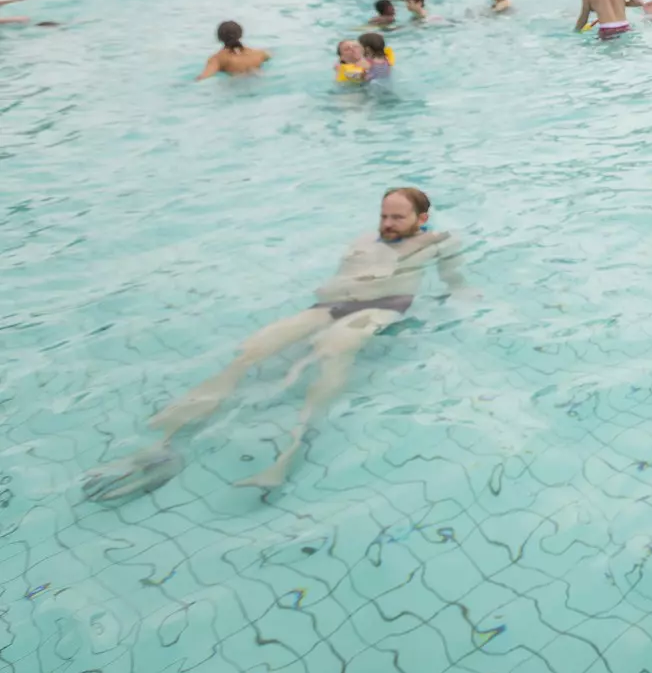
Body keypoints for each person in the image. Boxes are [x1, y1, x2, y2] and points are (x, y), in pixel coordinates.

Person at [80, 187, 463, 499]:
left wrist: (462, 295)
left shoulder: (439, 242)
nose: (387, 224)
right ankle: (165, 444)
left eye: (397, 217)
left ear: (422, 218)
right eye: (383, 215)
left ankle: (287, 456)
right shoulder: (366, 238)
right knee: (253, 350)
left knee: (332, 352)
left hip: (383, 306)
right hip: (330, 305)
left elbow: (453, 279)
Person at [197, 21, 270, 78]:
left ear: (219, 38)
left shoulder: (217, 59)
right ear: (241, 35)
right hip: (259, 80)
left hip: (236, 86)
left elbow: (203, 77)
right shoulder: (259, 53)